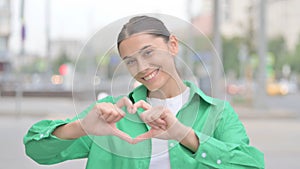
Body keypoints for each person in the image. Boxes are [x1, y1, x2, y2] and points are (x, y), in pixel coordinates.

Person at [24, 15, 264, 169]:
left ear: (173, 45)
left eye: (148, 53)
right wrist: (81, 127)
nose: (142, 68)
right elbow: (36, 150)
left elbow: (251, 165)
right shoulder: (110, 115)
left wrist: (182, 134)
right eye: (130, 61)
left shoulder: (217, 114)